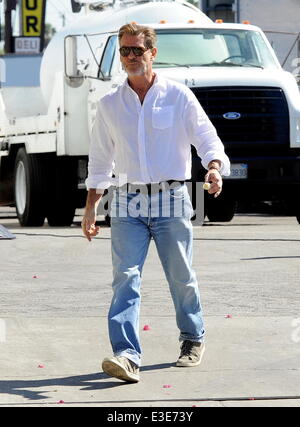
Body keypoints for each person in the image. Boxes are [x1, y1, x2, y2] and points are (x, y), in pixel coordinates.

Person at [82, 23, 230, 383]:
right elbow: (101, 160)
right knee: (125, 279)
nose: (131, 57)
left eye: (137, 50)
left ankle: (193, 338)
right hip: (128, 202)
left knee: (181, 277)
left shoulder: (178, 97)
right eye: (125, 51)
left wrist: (213, 168)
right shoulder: (109, 104)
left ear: (153, 53)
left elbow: (207, 138)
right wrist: (90, 207)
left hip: (173, 199)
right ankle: (127, 355)